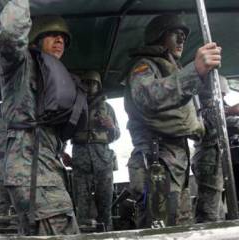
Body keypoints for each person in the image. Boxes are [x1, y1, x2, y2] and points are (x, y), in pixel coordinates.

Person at [123, 14, 222, 228]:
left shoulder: (174, 69)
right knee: (160, 230)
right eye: (175, 34)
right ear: (159, 36)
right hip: (156, 161)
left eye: (184, 36)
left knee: (180, 227)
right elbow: (148, 96)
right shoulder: (144, 66)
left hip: (178, 161)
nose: (181, 40)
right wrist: (194, 71)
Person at [0, 0, 83, 235]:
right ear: (35, 39)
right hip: (31, 169)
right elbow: (10, 35)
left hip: (46, 167)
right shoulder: (21, 65)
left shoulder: (54, 74)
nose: (59, 40)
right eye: (51, 35)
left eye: (62, 37)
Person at [71, 71, 120, 231]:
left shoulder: (108, 108)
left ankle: (107, 234)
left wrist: (111, 126)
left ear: (98, 85)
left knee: (105, 207)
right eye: (86, 82)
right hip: (80, 163)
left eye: (93, 83)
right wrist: (60, 152)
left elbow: (117, 134)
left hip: (103, 162)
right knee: (82, 208)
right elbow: (62, 132)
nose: (90, 86)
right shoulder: (74, 106)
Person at [192, 76, 231, 223]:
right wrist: (231, 111)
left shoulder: (218, 105)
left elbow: (231, 122)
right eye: (221, 93)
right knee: (209, 209)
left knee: (217, 207)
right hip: (207, 160)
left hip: (213, 160)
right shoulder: (200, 104)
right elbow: (208, 123)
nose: (224, 96)